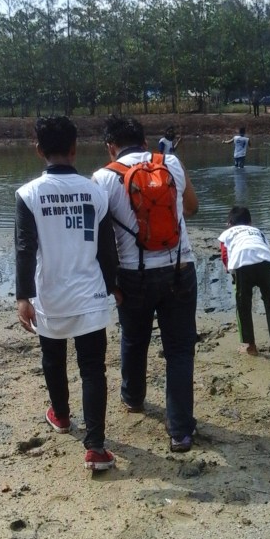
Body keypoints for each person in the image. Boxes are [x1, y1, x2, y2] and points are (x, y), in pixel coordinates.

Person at [15, 116, 119, 472]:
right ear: (75, 149)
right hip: (90, 294)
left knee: (53, 358)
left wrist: (23, 296)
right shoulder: (96, 191)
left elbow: (25, 248)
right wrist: (115, 287)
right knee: (93, 370)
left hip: (50, 295)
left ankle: (60, 416)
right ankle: (96, 447)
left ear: (39, 150)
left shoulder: (28, 194)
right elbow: (107, 250)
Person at [93, 116, 199, 453]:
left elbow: (101, 240)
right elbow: (192, 208)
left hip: (133, 275)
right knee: (180, 350)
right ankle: (181, 431)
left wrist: (110, 283)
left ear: (111, 146)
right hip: (180, 267)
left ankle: (133, 399)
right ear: (144, 141)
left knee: (134, 339)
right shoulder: (171, 162)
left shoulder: (103, 177)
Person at [218, 206, 270, 358]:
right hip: (266, 263)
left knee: (243, 306)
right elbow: (268, 253)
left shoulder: (227, 233)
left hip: (242, 265)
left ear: (229, 223)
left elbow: (225, 256)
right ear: (250, 222)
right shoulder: (258, 232)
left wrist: (232, 275)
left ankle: (250, 346)